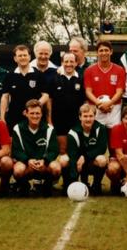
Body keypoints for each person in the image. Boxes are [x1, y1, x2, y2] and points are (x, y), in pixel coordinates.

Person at [48, 53, 86, 187]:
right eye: (66, 61)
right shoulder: (54, 79)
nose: (69, 64)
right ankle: (65, 181)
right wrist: (50, 120)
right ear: (62, 62)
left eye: (72, 61)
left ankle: (74, 179)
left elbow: (84, 102)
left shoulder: (81, 79)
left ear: (76, 63)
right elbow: (50, 101)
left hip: (75, 123)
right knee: (63, 152)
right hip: (59, 122)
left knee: (75, 152)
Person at [11, 99, 60, 197]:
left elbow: (54, 150)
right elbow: (16, 150)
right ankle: (24, 186)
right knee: (18, 170)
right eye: (32, 113)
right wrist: (27, 160)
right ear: (26, 113)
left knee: (56, 168)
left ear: (42, 114)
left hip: (43, 164)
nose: (35, 116)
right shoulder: (18, 128)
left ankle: (47, 186)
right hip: (27, 164)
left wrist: (45, 161)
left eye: (37, 113)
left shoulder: (49, 129)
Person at [0, 45, 49, 131]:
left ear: (29, 57)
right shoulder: (9, 76)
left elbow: (45, 95)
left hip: (34, 117)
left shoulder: (39, 74)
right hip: (14, 118)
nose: (23, 58)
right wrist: (2, 117)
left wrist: (34, 106)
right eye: (20, 56)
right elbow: (5, 97)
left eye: (25, 55)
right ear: (15, 58)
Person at [66, 104, 108, 195]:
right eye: (85, 116)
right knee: (65, 160)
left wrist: (85, 157)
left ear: (94, 116)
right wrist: (74, 180)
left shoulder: (101, 128)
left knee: (102, 160)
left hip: (92, 162)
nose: (88, 119)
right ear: (80, 117)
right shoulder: (73, 132)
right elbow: (72, 155)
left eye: (91, 116)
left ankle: (96, 185)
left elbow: (102, 149)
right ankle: (69, 184)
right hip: (78, 163)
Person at [84, 41, 126, 128]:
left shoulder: (119, 70)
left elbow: (120, 91)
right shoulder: (89, 70)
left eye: (106, 50)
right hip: (96, 107)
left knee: (114, 136)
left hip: (114, 108)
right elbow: (88, 91)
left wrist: (109, 104)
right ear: (97, 53)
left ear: (111, 51)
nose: (104, 53)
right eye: (101, 50)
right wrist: (99, 104)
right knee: (97, 136)